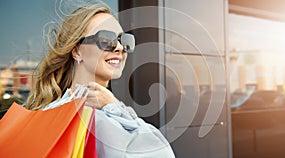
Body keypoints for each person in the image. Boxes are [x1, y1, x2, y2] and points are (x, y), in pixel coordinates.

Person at [25, 3, 175, 157]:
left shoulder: (47, 114)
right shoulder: (102, 119)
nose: (120, 47)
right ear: (77, 52)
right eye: (106, 39)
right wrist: (114, 108)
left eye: (124, 40)